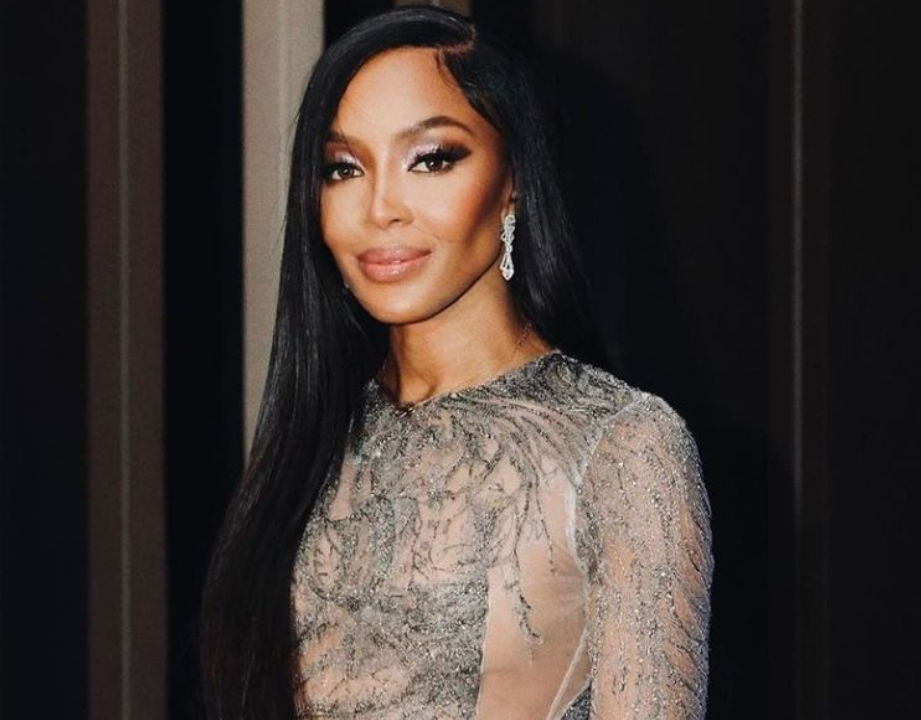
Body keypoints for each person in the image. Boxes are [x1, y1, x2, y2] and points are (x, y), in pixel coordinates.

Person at [201, 6, 714, 719]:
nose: (380, 208)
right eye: (344, 167)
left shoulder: (623, 446)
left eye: (431, 158)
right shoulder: (314, 437)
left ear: (513, 178)